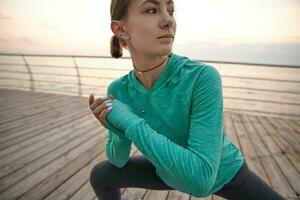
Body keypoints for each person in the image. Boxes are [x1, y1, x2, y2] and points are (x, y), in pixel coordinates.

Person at [88, 0, 285, 199]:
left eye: (170, 10)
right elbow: (117, 160)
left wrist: (130, 123)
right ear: (120, 29)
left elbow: (200, 181)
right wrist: (118, 131)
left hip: (222, 173)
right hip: (165, 169)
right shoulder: (119, 90)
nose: (168, 20)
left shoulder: (201, 77)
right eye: (151, 10)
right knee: (101, 175)